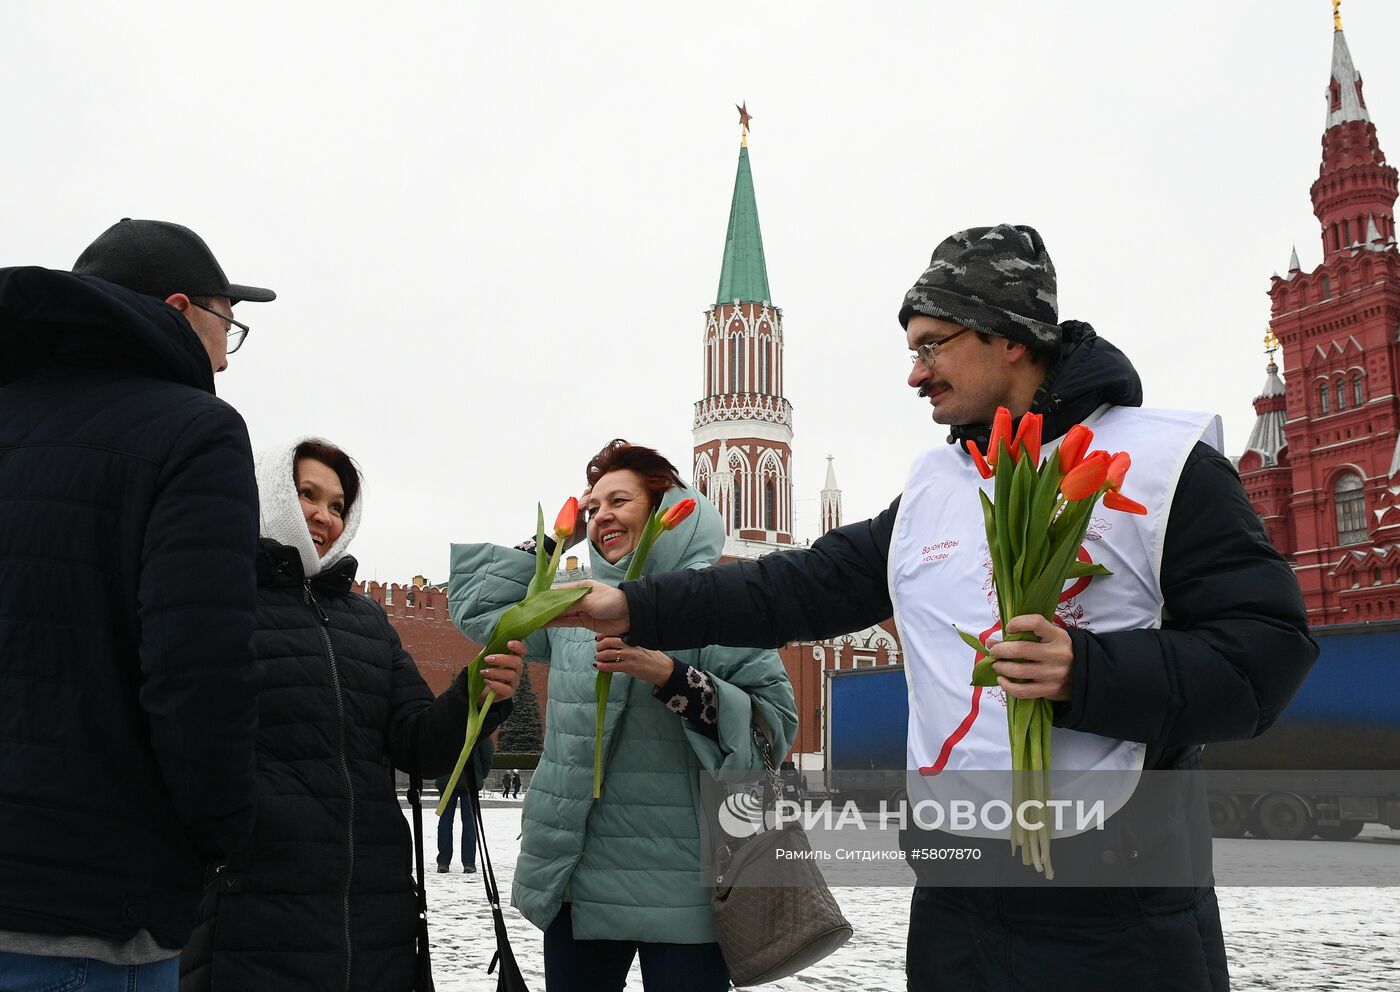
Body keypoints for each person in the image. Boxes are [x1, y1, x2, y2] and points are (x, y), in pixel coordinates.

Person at [551, 226, 1319, 992]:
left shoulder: (1164, 465)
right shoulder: (936, 487)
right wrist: (631, 604)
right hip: (957, 911)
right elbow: (796, 587)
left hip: (1119, 913)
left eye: (932, 345)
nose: (916, 374)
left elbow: (1266, 655)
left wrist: (1084, 671)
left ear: (1009, 339)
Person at [0, 219, 275, 991]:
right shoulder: (195, 431)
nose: (227, 348)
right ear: (181, 307)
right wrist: (219, 831)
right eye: (228, 320)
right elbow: (199, 671)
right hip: (92, 914)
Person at [448, 441, 798, 992]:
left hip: (688, 888)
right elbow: (482, 613)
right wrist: (552, 536)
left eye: (620, 501)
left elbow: (770, 731)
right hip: (579, 879)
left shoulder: (713, 601)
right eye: (593, 508)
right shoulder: (581, 602)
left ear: (664, 511)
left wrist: (669, 677)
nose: (601, 515)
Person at [177, 438, 524, 992]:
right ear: (268, 495)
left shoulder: (366, 621)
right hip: (255, 914)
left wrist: (475, 692)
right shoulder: (220, 602)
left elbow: (417, 743)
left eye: (338, 505)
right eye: (307, 495)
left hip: (371, 914)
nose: (325, 516)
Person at [436, 736, 494, 874]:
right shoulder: (477, 722)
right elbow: (487, 752)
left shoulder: (445, 721)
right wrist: (481, 774)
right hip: (470, 779)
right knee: (469, 822)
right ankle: (469, 863)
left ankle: (443, 862)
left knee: (445, 821)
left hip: (447, 778)